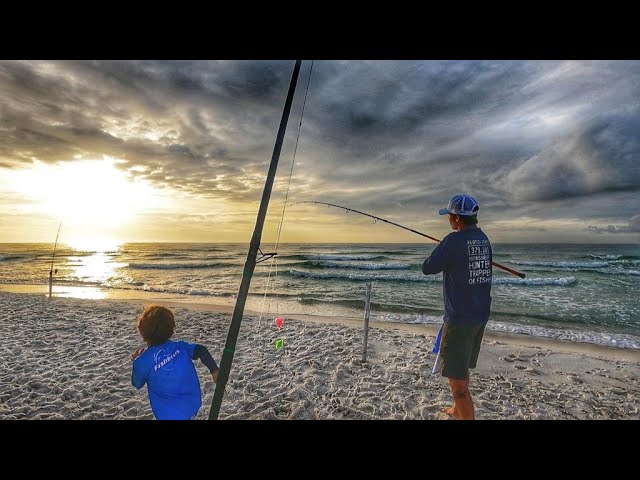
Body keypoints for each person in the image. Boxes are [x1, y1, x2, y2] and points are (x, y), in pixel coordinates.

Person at [422, 194, 492, 420]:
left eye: (450, 216)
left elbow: (428, 267)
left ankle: (464, 413)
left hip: (460, 319)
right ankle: (457, 409)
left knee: (458, 383)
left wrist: (444, 245)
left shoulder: (453, 241)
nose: (449, 220)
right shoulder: (483, 239)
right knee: (460, 369)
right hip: (479, 314)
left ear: (457, 219)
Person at [131, 305, 219, 420]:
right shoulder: (181, 347)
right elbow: (201, 350)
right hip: (191, 405)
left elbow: (137, 383)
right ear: (171, 330)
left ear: (142, 332)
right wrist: (214, 370)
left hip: (166, 414)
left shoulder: (142, 361)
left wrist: (136, 361)